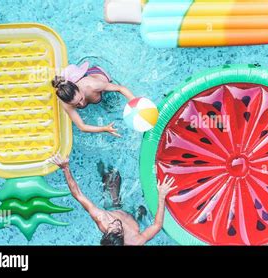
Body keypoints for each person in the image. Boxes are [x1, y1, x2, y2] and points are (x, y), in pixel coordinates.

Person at [48, 154, 176, 246]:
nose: (116, 223)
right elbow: (157, 225)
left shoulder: (102, 218)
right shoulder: (136, 241)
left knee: (113, 175)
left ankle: (101, 167)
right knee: (143, 210)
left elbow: (78, 194)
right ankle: (139, 215)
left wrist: (65, 169)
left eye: (111, 227)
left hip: (114, 207)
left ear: (106, 233)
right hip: (133, 217)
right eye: (119, 229)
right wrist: (162, 195)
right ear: (123, 237)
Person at [52, 62, 136, 137]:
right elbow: (82, 127)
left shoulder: (93, 86)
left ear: (79, 88)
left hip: (99, 75)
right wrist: (104, 129)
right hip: (85, 82)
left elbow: (120, 88)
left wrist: (134, 102)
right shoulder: (66, 104)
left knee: (113, 103)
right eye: (76, 104)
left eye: (81, 99)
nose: (81, 104)